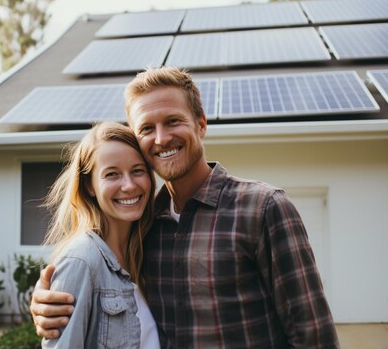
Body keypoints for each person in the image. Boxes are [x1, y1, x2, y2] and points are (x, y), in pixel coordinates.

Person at [31, 67, 340, 348]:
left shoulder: (262, 208)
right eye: (147, 128)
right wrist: (48, 303)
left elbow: (314, 334)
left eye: (173, 121)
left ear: (201, 124)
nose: (162, 138)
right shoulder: (146, 226)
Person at [39, 121, 160, 348]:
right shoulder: (82, 261)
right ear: (89, 186)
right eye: (112, 174)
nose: (129, 185)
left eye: (137, 171)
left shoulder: (149, 251)